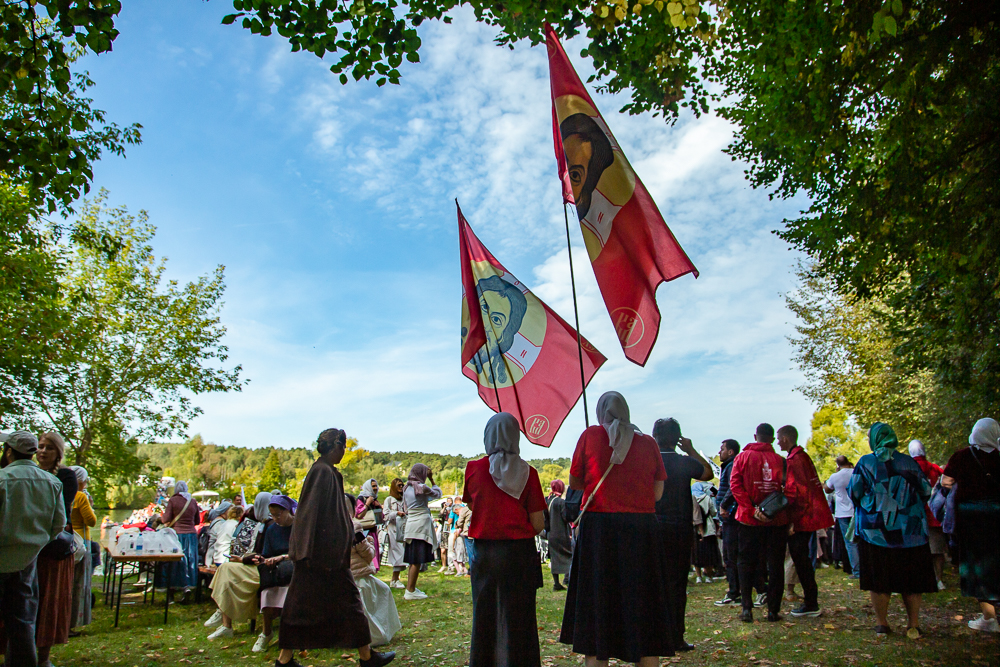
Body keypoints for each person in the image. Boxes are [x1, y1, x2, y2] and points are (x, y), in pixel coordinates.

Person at [560, 392, 673, 666]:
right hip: (641, 531)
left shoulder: (590, 436)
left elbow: (575, 482)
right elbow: (657, 493)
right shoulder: (648, 443)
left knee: (598, 605)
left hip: (600, 531)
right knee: (644, 607)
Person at [276, 428, 395, 667]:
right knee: (305, 607)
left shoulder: (325, 472)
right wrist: (318, 548)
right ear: (335, 446)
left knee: (342, 605)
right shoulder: (323, 472)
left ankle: (366, 655)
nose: (344, 452)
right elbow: (313, 516)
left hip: (324, 554)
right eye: (343, 447)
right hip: (320, 556)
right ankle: (285, 660)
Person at [462, 412, 546, 667]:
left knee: (485, 616)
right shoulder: (529, 473)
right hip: (519, 554)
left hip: (485, 554)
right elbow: (539, 524)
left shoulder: (474, 469)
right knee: (520, 619)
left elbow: (470, 503)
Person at [849, 422, 936, 639]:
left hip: (876, 531)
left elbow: (855, 492)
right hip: (911, 531)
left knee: (879, 580)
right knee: (912, 580)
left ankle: (882, 624)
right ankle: (913, 624)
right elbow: (926, 490)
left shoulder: (866, 462)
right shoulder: (908, 462)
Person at [0, 431, 66, 667]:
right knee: (23, 623)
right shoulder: (52, 482)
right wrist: (35, 543)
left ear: (9, 451)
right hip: (27, 560)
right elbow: (58, 525)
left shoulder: (2, 479)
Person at [650, 417, 712, 651]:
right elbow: (707, 473)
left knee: (652, 581)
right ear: (676, 438)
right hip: (679, 528)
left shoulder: (649, 461)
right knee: (677, 584)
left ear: (654, 437)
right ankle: (676, 635)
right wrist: (690, 449)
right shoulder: (684, 462)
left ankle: (654, 635)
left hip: (653, 526)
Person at [730, 423, 795, 623]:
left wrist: (751, 509)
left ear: (755, 436)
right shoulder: (780, 460)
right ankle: (773, 610)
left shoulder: (742, 457)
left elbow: (735, 484)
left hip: (749, 520)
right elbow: (789, 490)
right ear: (772, 439)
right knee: (775, 565)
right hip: (776, 521)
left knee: (746, 563)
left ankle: (747, 608)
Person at [942, 418, 1000, 633]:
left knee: (976, 564)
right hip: (997, 516)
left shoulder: (962, 456)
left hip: (970, 518)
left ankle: (989, 617)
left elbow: (946, 481)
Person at [777, 425, 834, 619]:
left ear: (785, 439)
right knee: (803, 560)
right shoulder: (803, 457)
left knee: (800, 560)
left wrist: (790, 519)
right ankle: (811, 600)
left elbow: (795, 492)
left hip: (800, 518)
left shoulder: (794, 460)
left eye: (778, 438)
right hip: (808, 515)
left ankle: (811, 602)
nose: (777, 442)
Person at [33, 432, 78, 667]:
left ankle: (43, 657)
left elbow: (58, 509)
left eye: (48, 447)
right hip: (29, 544)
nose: (42, 451)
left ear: (58, 452)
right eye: (39, 446)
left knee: (50, 600)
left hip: (54, 545)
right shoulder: (28, 473)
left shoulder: (66, 476)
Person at [206, 492, 272, 636]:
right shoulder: (261, 524)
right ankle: (224, 618)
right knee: (225, 569)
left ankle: (222, 611)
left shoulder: (270, 525)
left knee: (228, 572)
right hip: (256, 565)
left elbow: (264, 555)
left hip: (265, 570)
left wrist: (244, 560)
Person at [251, 494, 296, 653]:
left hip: (294, 565)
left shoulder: (299, 526)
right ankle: (266, 632)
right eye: (273, 515)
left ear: (288, 511)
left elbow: (304, 551)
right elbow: (267, 553)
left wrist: (282, 557)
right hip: (276, 569)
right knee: (267, 589)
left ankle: (287, 632)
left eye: (279, 515)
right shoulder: (271, 530)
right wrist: (264, 560)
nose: (276, 518)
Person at [350, 517, 402, 646]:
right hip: (359, 576)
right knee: (376, 597)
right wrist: (370, 542)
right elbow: (368, 554)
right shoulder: (355, 527)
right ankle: (375, 635)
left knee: (382, 590)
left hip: (348, 575)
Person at [908, 440, 948, 590]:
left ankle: (921, 579)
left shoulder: (907, 469)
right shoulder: (934, 468)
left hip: (915, 516)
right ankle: (938, 580)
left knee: (917, 550)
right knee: (937, 550)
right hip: (934, 515)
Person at [402, 463, 442, 600]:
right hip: (421, 524)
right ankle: (410, 590)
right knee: (416, 559)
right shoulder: (422, 487)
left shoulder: (406, 488)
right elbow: (438, 494)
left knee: (413, 559)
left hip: (411, 523)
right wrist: (432, 480)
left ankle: (410, 588)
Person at [714, 439, 745, 607]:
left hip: (731, 517)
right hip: (730, 516)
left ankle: (734, 592)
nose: (720, 452)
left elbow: (734, 487)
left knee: (730, 555)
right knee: (732, 555)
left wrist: (724, 506)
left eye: (722, 449)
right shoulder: (728, 466)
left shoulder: (732, 466)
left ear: (731, 452)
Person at [160, 480, 200, 600]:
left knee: (175, 562)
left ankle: (172, 590)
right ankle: (187, 586)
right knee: (190, 562)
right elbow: (197, 521)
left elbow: (165, 519)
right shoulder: (192, 501)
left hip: (177, 535)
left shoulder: (173, 500)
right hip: (191, 535)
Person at [68, 466, 97, 632]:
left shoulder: (63, 493)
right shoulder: (81, 497)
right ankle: (72, 622)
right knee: (78, 583)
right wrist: (90, 505)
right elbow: (91, 521)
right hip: (81, 541)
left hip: (67, 540)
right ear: (81, 481)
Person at [824, 456, 860, 578]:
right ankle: (865, 567)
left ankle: (856, 570)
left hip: (843, 513)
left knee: (850, 543)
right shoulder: (855, 472)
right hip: (857, 510)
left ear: (838, 464)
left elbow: (827, 489)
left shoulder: (835, 476)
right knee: (862, 539)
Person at [691, 482, 722, 583]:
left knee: (696, 553)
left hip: (695, 528)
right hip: (708, 527)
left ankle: (698, 576)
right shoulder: (707, 497)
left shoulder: (691, 497)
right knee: (709, 552)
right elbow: (713, 512)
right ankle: (708, 575)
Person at [546, 480, 573, 591]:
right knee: (570, 556)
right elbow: (566, 518)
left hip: (550, 534)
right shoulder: (561, 502)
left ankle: (556, 583)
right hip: (561, 534)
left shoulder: (547, 500)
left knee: (554, 558)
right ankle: (567, 579)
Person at [383, 478, 407, 588]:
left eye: (402, 485)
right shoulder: (389, 499)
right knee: (398, 554)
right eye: (399, 485)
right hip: (393, 530)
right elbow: (385, 515)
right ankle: (394, 579)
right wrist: (396, 513)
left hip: (403, 529)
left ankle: (396, 578)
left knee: (403, 554)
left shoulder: (404, 499)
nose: (401, 487)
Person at [355, 479, 383, 570]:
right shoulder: (361, 499)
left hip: (373, 532)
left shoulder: (375, 499)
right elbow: (359, 515)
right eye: (372, 486)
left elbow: (380, 520)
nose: (375, 488)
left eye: (376, 486)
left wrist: (378, 506)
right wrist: (367, 504)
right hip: (364, 532)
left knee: (374, 555)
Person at [204, 501, 237, 566]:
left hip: (213, 555)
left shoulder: (218, 521)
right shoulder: (220, 523)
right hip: (215, 556)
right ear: (225, 511)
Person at [437, 496, 454, 574]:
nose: (448, 503)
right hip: (444, 530)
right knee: (443, 549)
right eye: (447, 501)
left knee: (451, 548)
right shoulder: (444, 511)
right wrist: (444, 507)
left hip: (451, 529)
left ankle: (451, 565)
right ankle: (443, 565)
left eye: (449, 501)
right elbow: (439, 516)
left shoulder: (454, 509)